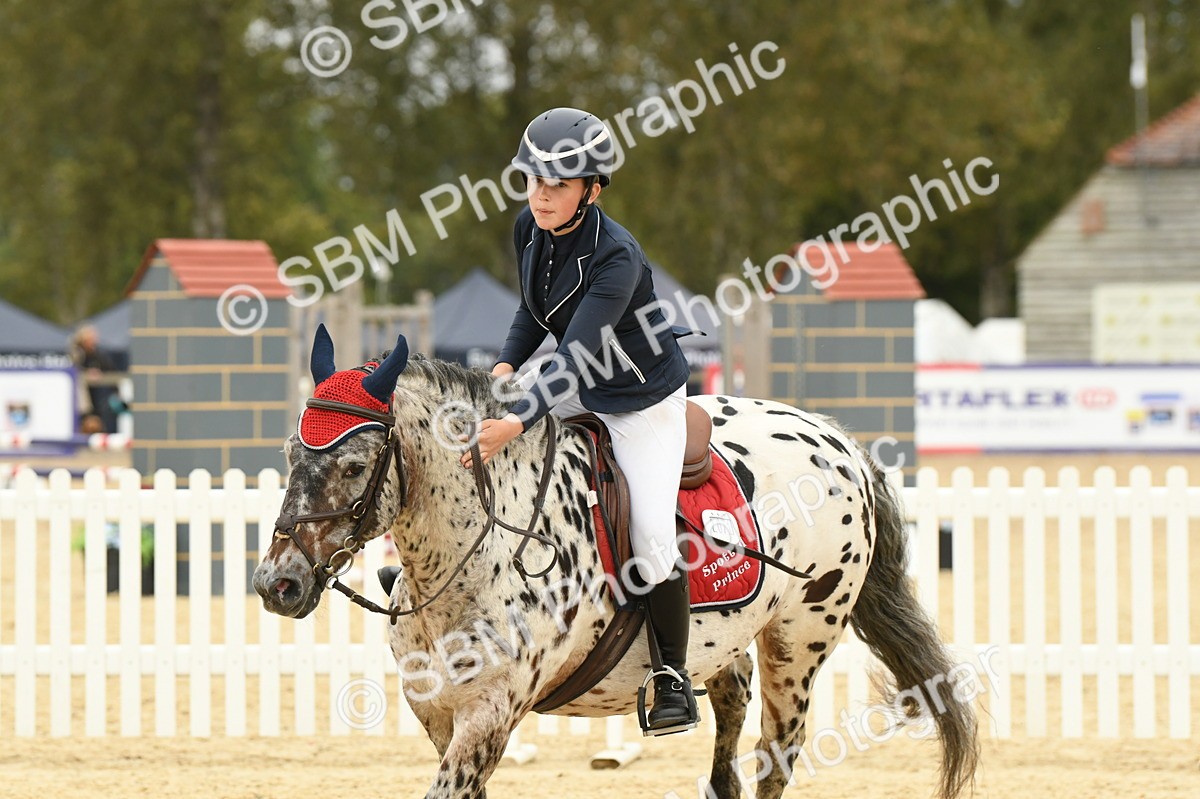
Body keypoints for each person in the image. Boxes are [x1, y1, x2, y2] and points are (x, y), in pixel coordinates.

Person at [458, 107, 699, 735]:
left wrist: (516, 422)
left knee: (650, 537)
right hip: (578, 380)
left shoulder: (616, 255)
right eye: (533, 180)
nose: (540, 195)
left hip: (639, 398)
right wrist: (506, 369)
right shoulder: (528, 227)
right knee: (476, 439)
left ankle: (672, 676)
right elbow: (534, 313)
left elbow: (578, 355)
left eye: (557, 184)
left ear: (591, 190)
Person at [70, 324, 118, 433]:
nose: (94, 341)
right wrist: (86, 373)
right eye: (91, 339)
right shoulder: (76, 354)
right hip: (81, 401)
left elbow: (111, 371)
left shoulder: (99, 355)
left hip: (98, 399)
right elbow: (74, 369)